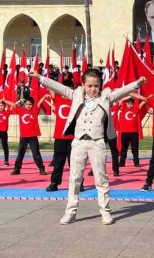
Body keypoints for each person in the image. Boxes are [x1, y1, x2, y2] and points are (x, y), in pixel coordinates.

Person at [33, 68, 145, 225]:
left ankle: (105, 212)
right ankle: (70, 212)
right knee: (75, 178)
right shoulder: (76, 95)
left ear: (100, 85)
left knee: (101, 178)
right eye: (90, 86)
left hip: (97, 143)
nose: (93, 89)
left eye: (96, 86)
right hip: (79, 142)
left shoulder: (105, 97)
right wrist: (40, 78)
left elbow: (120, 92)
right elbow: (59, 87)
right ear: (83, 85)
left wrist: (136, 84)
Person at [45, 75, 75, 192]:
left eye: (69, 89)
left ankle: (78, 183)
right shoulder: (57, 98)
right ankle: (54, 183)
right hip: (60, 137)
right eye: (65, 89)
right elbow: (50, 86)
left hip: (73, 137)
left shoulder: (76, 100)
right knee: (58, 162)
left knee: (75, 162)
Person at [10, 95, 47, 176]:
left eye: (30, 104)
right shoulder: (21, 110)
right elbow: (13, 105)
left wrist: (44, 97)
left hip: (33, 136)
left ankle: (41, 169)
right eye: (26, 104)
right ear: (24, 104)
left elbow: (39, 103)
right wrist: (17, 101)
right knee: (20, 154)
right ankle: (16, 169)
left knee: (36, 154)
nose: (28, 106)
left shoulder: (35, 111)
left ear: (32, 105)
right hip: (23, 136)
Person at [116, 97, 147, 167]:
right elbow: (120, 101)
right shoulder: (123, 109)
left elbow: (143, 102)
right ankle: (122, 163)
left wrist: (147, 98)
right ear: (126, 104)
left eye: (131, 104)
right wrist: (127, 97)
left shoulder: (135, 109)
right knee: (124, 148)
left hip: (134, 133)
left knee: (135, 148)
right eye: (128, 103)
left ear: (133, 104)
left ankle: (136, 163)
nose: (130, 105)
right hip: (125, 133)